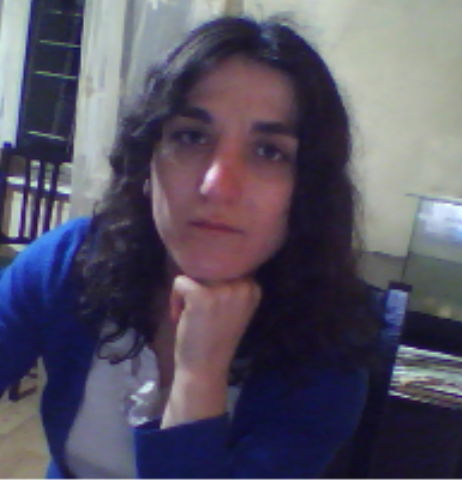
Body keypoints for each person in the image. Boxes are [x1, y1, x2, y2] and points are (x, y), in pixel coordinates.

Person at [0, 15, 378, 478]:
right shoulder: (69, 262)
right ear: (146, 164)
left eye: (269, 151)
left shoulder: (327, 366)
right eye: (192, 137)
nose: (218, 185)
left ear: (308, 192)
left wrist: (199, 376)